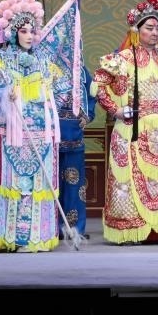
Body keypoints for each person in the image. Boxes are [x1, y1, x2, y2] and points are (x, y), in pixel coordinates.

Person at [0, 0, 71, 252]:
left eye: (32, 31)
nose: (29, 35)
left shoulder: (44, 62)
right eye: (23, 31)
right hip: (8, 133)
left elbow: (63, 90)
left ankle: (35, 236)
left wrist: (45, 100)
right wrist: (4, 93)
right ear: (13, 32)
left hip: (40, 134)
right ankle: (6, 237)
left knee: (36, 185)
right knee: (8, 183)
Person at [93, 0, 158, 246]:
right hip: (130, 128)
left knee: (156, 179)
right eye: (149, 28)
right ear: (136, 30)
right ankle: (128, 230)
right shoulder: (123, 59)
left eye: (157, 28)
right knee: (128, 180)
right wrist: (116, 110)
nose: (155, 33)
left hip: (156, 131)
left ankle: (154, 230)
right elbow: (98, 85)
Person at [58, 65, 95, 240]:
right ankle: (51, 229)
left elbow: (92, 94)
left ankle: (75, 229)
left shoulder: (79, 70)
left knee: (74, 183)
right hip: (49, 137)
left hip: (74, 135)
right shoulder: (44, 65)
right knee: (52, 184)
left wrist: (88, 115)